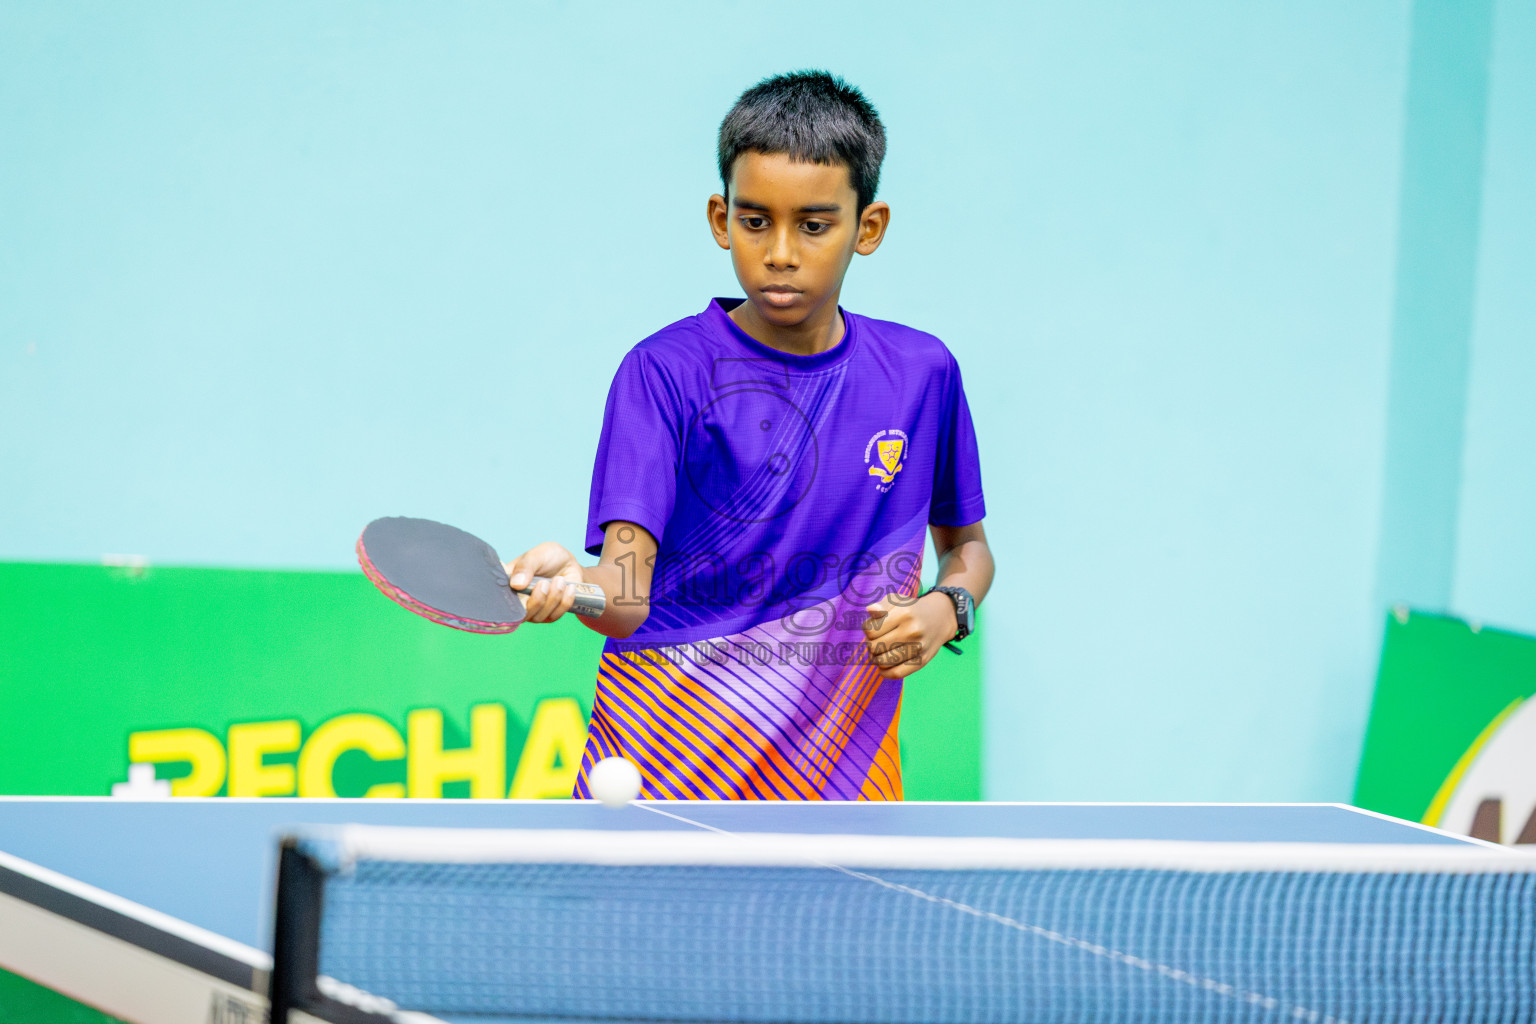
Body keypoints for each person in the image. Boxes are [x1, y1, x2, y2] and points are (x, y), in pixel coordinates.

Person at [506, 70, 993, 800]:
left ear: (869, 227)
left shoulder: (922, 375)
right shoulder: (663, 373)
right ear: (720, 217)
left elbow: (969, 550)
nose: (781, 252)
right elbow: (628, 593)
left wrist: (943, 608)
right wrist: (576, 587)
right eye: (756, 220)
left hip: (846, 797)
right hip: (665, 785)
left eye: (815, 224)